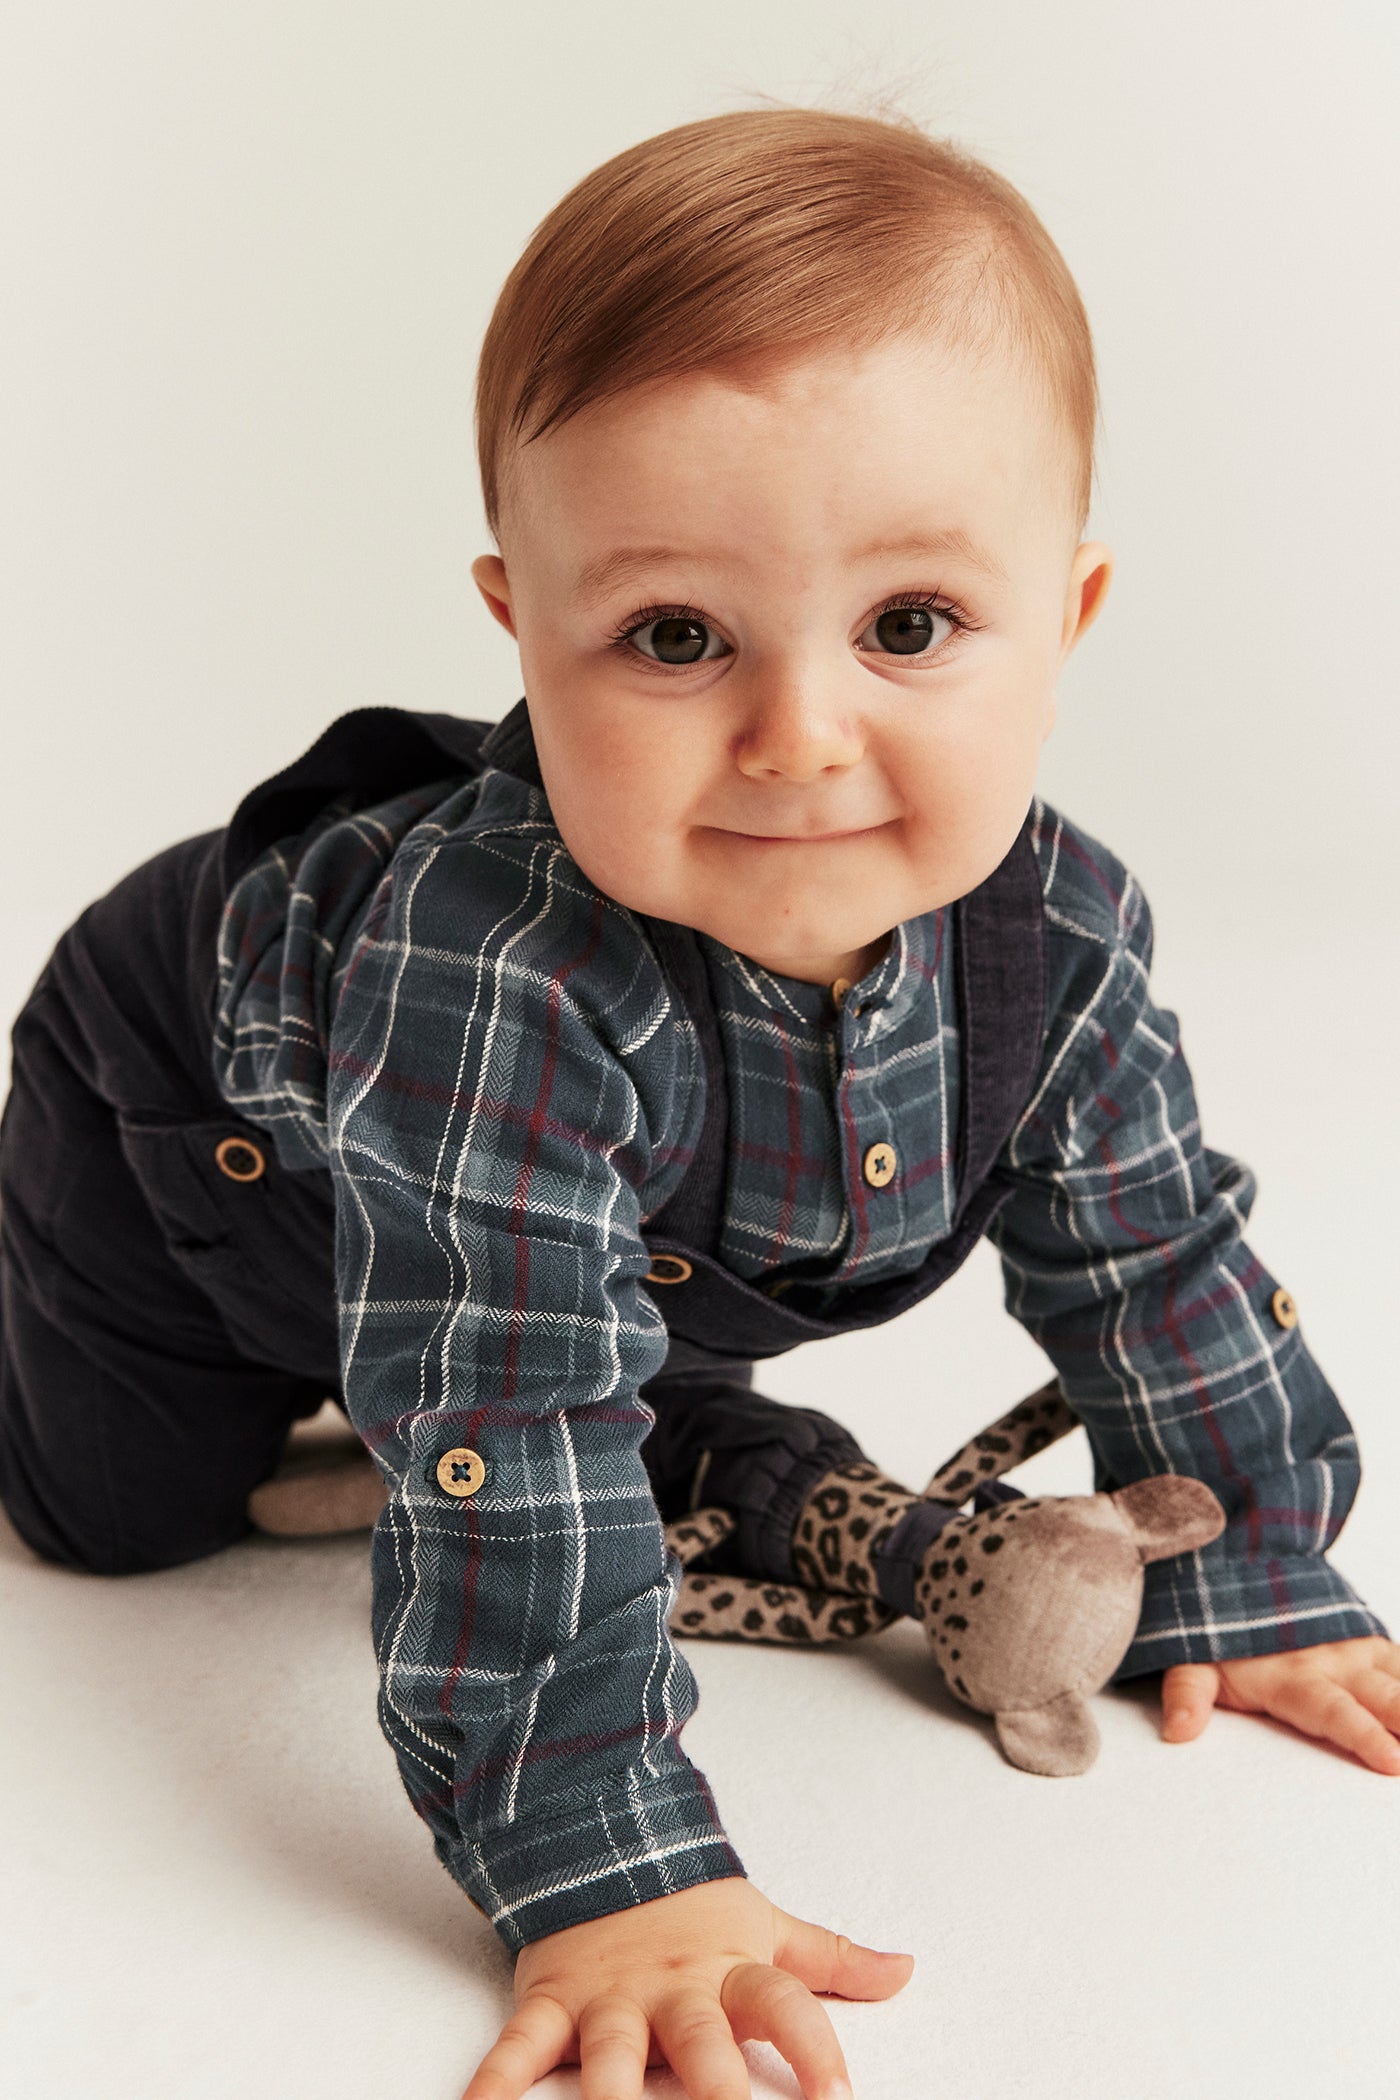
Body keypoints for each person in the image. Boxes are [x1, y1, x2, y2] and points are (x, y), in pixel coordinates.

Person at [2, 106, 1397, 2100]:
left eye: (907, 627)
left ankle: (711, 1442)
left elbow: (1150, 1246)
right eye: (674, 637)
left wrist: (1253, 1554)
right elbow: (494, 1408)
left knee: (591, 1346)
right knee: (114, 1519)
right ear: (523, 635)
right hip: (182, 1139)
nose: (798, 737)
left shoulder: (1056, 933)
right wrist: (599, 1860)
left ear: (1065, 627)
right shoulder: (499, 969)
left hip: (559, 1221)